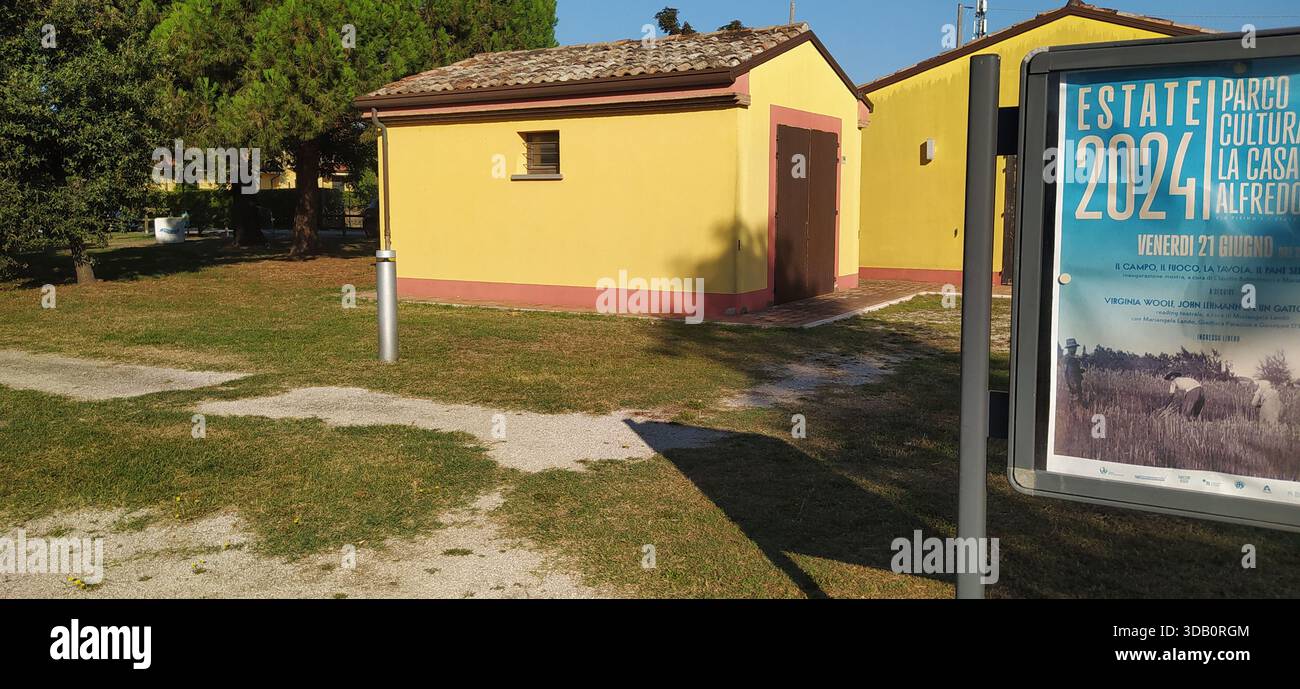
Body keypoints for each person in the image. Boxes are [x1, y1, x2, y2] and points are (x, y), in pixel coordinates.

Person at [1063, 338, 1085, 405]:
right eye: (1073, 347)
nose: (1075, 349)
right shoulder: (1070, 360)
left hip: (1074, 385)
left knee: (1076, 403)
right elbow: (1069, 374)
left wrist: (1080, 370)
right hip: (1073, 385)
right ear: (1069, 349)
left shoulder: (1070, 358)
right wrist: (1073, 387)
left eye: (1075, 347)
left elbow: (1071, 371)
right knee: (1076, 403)